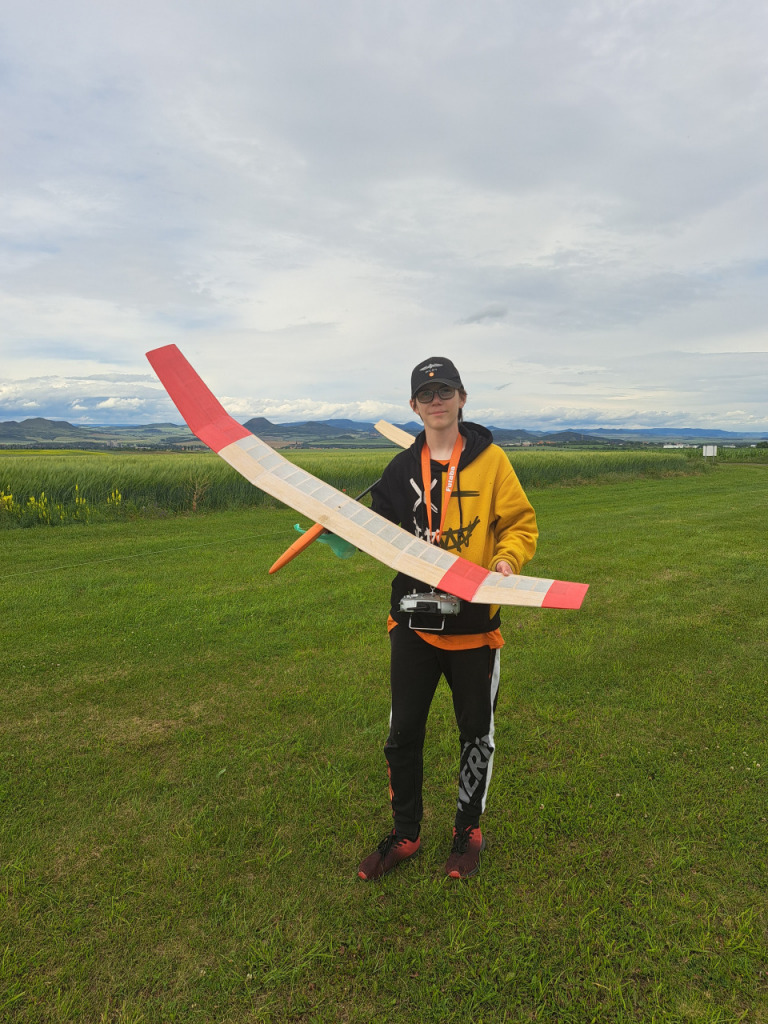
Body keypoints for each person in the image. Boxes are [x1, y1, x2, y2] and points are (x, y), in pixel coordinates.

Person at [357, 356, 538, 881]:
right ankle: (406, 833)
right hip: (412, 624)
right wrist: (342, 531)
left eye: (445, 391)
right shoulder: (401, 468)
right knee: (402, 734)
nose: (436, 401)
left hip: (474, 626)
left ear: (462, 398)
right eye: (426, 394)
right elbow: (378, 527)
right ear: (413, 406)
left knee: (475, 734)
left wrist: (507, 561)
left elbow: (520, 523)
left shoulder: (492, 461)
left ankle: (467, 831)